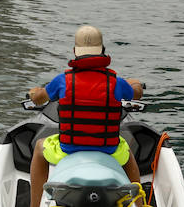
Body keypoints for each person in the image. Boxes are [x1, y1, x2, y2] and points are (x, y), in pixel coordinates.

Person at [26, 25, 145, 207]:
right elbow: (136, 93)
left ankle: (34, 205)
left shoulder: (62, 80)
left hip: (69, 148)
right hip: (109, 149)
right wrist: (135, 83)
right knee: (127, 152)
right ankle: (140, 203)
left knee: (40, 148)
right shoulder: (116, 82)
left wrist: (34, 93)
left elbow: (39, 98)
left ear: (75, 52)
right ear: (102, 51)